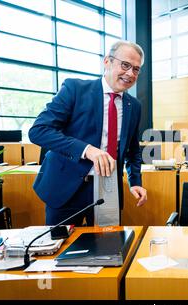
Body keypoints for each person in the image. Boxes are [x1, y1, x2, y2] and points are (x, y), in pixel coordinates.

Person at [29, 40, 147, 226]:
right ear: (107, 61)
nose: (130, 73)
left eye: (136, 69)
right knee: (60, 249)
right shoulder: (75, 89)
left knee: (106, 250)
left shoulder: (134, 106)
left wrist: (135, 182)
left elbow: (133, 150)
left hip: (108, 190)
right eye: (125, 65)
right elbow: (39, 131)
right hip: (66, 188)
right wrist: (87, 150)